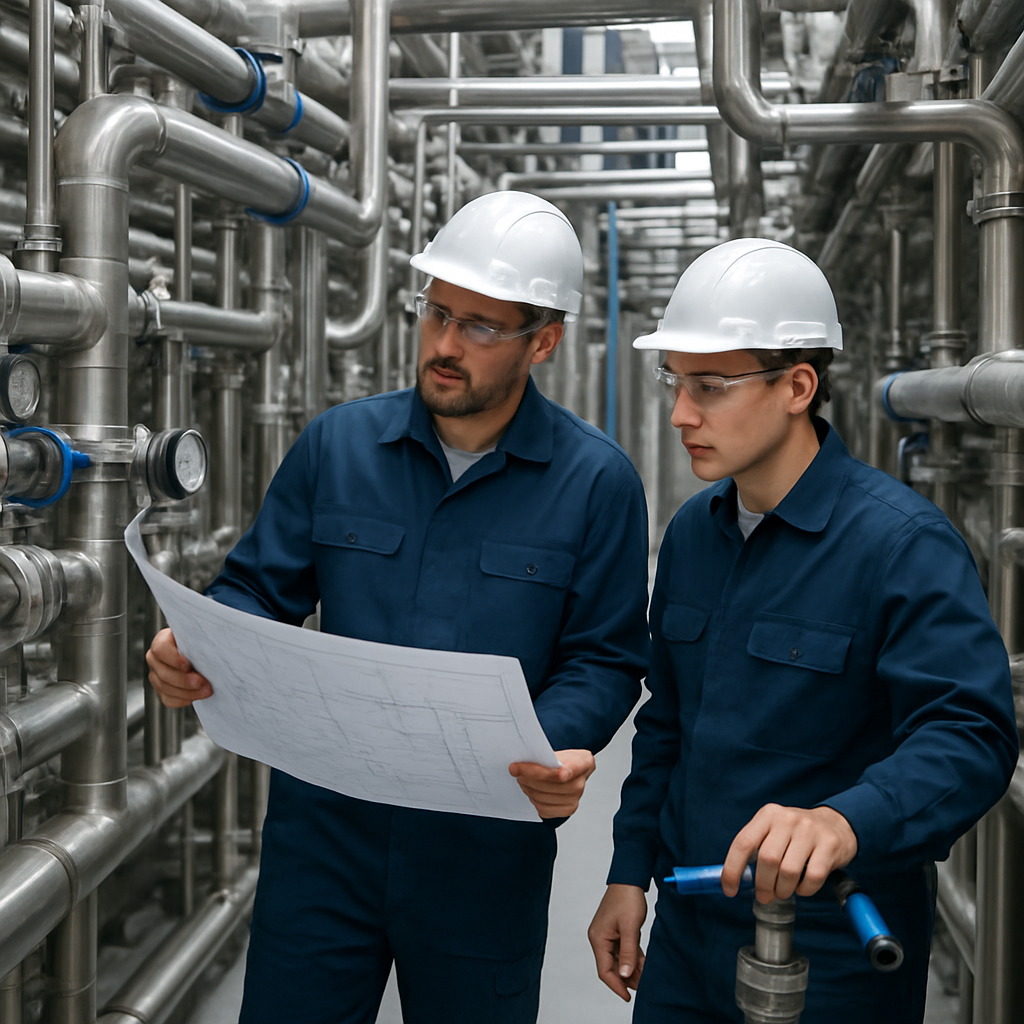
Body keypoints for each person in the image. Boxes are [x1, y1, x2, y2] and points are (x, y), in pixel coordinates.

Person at [146, 191, 650, 1024]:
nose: (446, 345)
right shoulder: (339, 447)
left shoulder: (596, 482)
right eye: (438, 313)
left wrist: (553, 745)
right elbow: (256, 590)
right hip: (323, 835)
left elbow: (604, 656)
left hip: (483, 845)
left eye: (481, 326)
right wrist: (201, 645)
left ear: (544, 341)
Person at [587, 238, 1018, 1023]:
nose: (681, 413)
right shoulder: (693, 534)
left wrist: (846, 819)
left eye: (710, 386)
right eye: (675, 381)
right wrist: (628, 871)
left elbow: (971, 735)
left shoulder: (901, 545)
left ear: (797, 387)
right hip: (688, 930)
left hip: (835, 947)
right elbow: (668, 725)